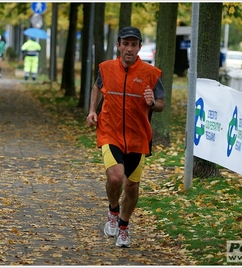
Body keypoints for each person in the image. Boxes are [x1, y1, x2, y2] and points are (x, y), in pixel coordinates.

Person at [86, 26, 165, 248]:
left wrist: (152, 102)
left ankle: (123, 225)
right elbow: (96, 87)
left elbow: (161, 104)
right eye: (125, 44)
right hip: (110, 131)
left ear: (139, 47)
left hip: (138, 137)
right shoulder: (106, 68)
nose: (129, 49)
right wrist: (93, 110)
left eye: (134, 44)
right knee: (115, 177)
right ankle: (113, 211)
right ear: (118, 45)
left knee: (131, 186)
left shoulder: (151, 73)